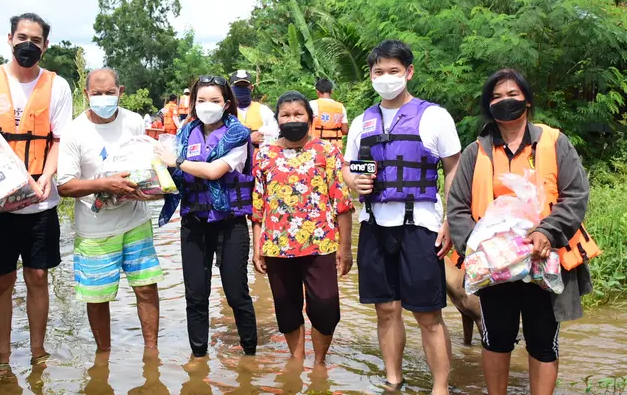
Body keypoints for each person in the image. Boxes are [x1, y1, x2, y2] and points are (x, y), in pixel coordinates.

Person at [447, 69, 592, 395]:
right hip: (494, 266)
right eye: (496, 97)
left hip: (544, 259)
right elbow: (457, 207)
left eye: (512, 95)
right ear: (487, 105)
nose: (504, 102)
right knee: (496, 339)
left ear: (527, 100)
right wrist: (479, 247)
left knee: (543, 341)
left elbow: (576, 195)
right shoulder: (476, 152)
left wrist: (547, 232)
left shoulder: (555, 143)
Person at [342, 40, 460, 394]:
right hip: (375, 225)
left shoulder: (434, 116)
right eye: (379, 72)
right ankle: (393, 381)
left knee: (428, 315)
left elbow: (453, 168)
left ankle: (440, 388)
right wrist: (353, 181)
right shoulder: (363, 121)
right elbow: (347, 169)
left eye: (394, 71)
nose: (386, 78)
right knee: (386, 310)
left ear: (408, 72)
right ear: (371, 75)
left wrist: (452, 219)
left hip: (420, 225)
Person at [0, 12, 73, 366]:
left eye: (36, 40)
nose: (28, 45)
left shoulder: (57, 86)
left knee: (38, 276)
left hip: (40, 198)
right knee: (1, 280)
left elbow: (59, 138)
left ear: (46, 45)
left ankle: (38, 351)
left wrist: (48, 176)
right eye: (22, 37)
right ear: (9, 39)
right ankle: (3, 355)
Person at [57, 68, 164, 354]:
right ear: (86, 94)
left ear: (121, 91)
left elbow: (147, 163)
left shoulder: (133, 122)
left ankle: (151, 351)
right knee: (97, 296)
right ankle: (103, 354)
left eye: (109, 92)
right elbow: (65, 186)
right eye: (97, 93)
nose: (103, 98)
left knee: (146, 286)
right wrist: (105, 184)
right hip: (95, 230)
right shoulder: (74, 132)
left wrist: (151, 188)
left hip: (135, 221)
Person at [156, 75, 258, 358]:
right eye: (201, 100)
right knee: (196, 296)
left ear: (226, 104)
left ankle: (250, 355)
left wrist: (175, 162)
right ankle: (198, 358)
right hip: (194, 221)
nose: (207, 106)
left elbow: (214, 171)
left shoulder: (238, 135)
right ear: (193, 103)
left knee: (236, 294)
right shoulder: (184, 134)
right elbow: (170, 177)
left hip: (230, 223)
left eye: (214, 101)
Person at [252, 91, 354, 364]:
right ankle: (296, 360)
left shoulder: (327, 151)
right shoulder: (264, 155)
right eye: (285, 115)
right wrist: (257, 247)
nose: (292, 119)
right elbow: (258, 205)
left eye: (298, 114)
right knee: (286, 309)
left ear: (309, 118)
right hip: (276, 245)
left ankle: (319, 361)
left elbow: (342, 203)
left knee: (326, 306)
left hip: (321, 244)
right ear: (277, 120)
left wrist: (346, 250)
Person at [229, 70, 278, 146]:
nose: (241, 89)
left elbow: (276, 134)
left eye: (245, 86)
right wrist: (248, 138)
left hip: (259, 155)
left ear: (252, 88)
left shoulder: (264, 110)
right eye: (238, 87)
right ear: (231, 89)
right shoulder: (226, 111)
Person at [311, 78, 349, 149]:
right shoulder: (341, 107)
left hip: (317, 147)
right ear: (331, 91)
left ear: (317, 91)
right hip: (335, 148)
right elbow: (345, 130)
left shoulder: (313, 104)